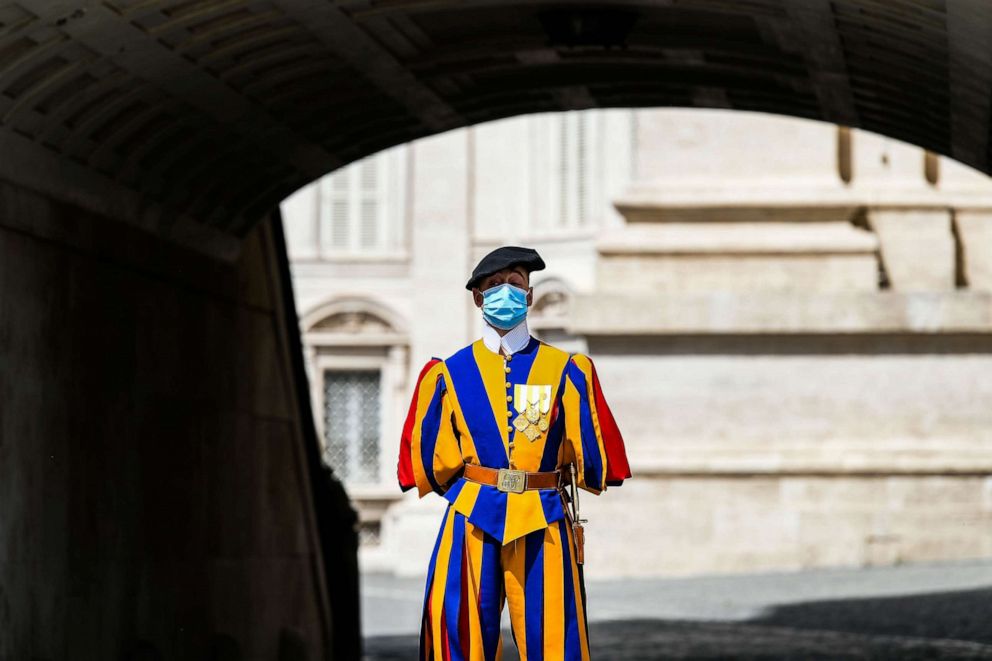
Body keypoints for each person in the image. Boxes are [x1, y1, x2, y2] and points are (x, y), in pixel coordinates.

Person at [397, 245, 631, 661]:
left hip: (545, 514)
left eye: (514, 284)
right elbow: (430, 458)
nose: (505, 291)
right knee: (457, 634)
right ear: (477, 297)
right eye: (493, 285)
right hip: (470, 516)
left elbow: (594, 455)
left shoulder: (566, 369)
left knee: (555, 641)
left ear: (529, 295)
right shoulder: (449, 373)